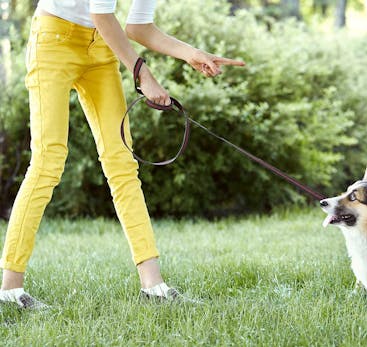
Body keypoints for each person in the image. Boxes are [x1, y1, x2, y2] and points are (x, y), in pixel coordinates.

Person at [0, 0, 245, 309]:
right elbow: (100, 13)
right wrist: (143, 73)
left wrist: (191, 53)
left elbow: (138, 26)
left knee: (122, 164)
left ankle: (153, 286)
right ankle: (10, 289)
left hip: (101, 48)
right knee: (48, 161)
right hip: (53, 39)